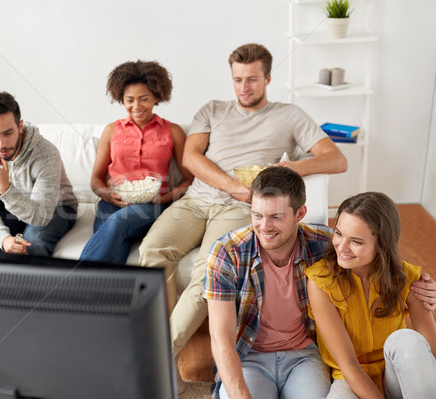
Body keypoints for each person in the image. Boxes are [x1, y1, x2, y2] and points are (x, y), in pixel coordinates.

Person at [138, 43, 348, 387]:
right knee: (151, 252)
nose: (244, 87)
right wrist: (232, 184)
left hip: (240, 207)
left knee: (207, 268)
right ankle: (159, 340)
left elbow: (336, 159)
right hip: (198, 200)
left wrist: (291, 166)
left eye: (252, 79)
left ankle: (159, 356)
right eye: (237, 79)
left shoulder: (290, 115)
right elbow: (191, 158)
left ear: (267, 78)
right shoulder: (213, 110)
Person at [203, 167, 436, 399]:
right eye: (257, 215)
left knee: (404, 342)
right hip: (250, 355)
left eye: (276, 217)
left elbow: (376, 251)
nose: (264, 227)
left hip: (303, 356)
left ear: (300, 214)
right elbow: (221, 336)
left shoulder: (324, 242)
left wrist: (423, 286)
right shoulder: (228, 252)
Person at [305, 192, 436, 398]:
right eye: (339, 233)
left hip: (395, 373)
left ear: (381, 245)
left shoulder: (409, 278)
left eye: (356, 242)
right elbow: (349, 366)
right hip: (350, 378)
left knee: (407, 340)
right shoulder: (320, 281)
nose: (341, 247)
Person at [79, 60, 192, 264]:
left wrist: (164, 199)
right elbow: (96, 180)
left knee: (115, 224)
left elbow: (189, 181)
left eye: (144, 99)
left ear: (157, 97)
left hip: (151, 206)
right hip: (111, 204)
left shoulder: (172, 131)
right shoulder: (112, 130)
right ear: (121, 98)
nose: (136, 106)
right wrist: (107, 195)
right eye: (129, 100)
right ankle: (108, 294)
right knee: (117, 245)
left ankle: (71, 284)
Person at [0, 88, 77, 256]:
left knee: (32, 245)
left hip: (56, 207)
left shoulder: (46, 153)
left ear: (20, 126)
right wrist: (3, 239)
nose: (0, 144)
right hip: (8, 208)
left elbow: (41, 217)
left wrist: (5, 188)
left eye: (7, 133)